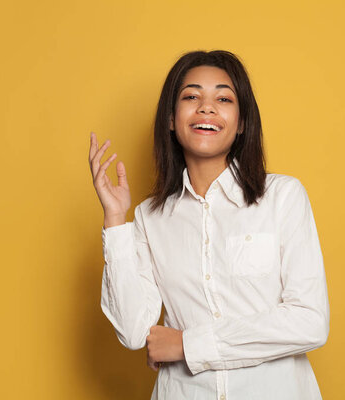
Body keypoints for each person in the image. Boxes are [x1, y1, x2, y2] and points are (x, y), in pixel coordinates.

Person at [88, 50, 330, 400]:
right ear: (171, 119)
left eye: (223, 98)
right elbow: (132, 331)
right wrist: (114, 219)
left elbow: (309, 321)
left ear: (242, 121)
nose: (206, 107)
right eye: (191, 96)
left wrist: (187, 345)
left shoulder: (282, 197)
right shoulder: (148, 218)